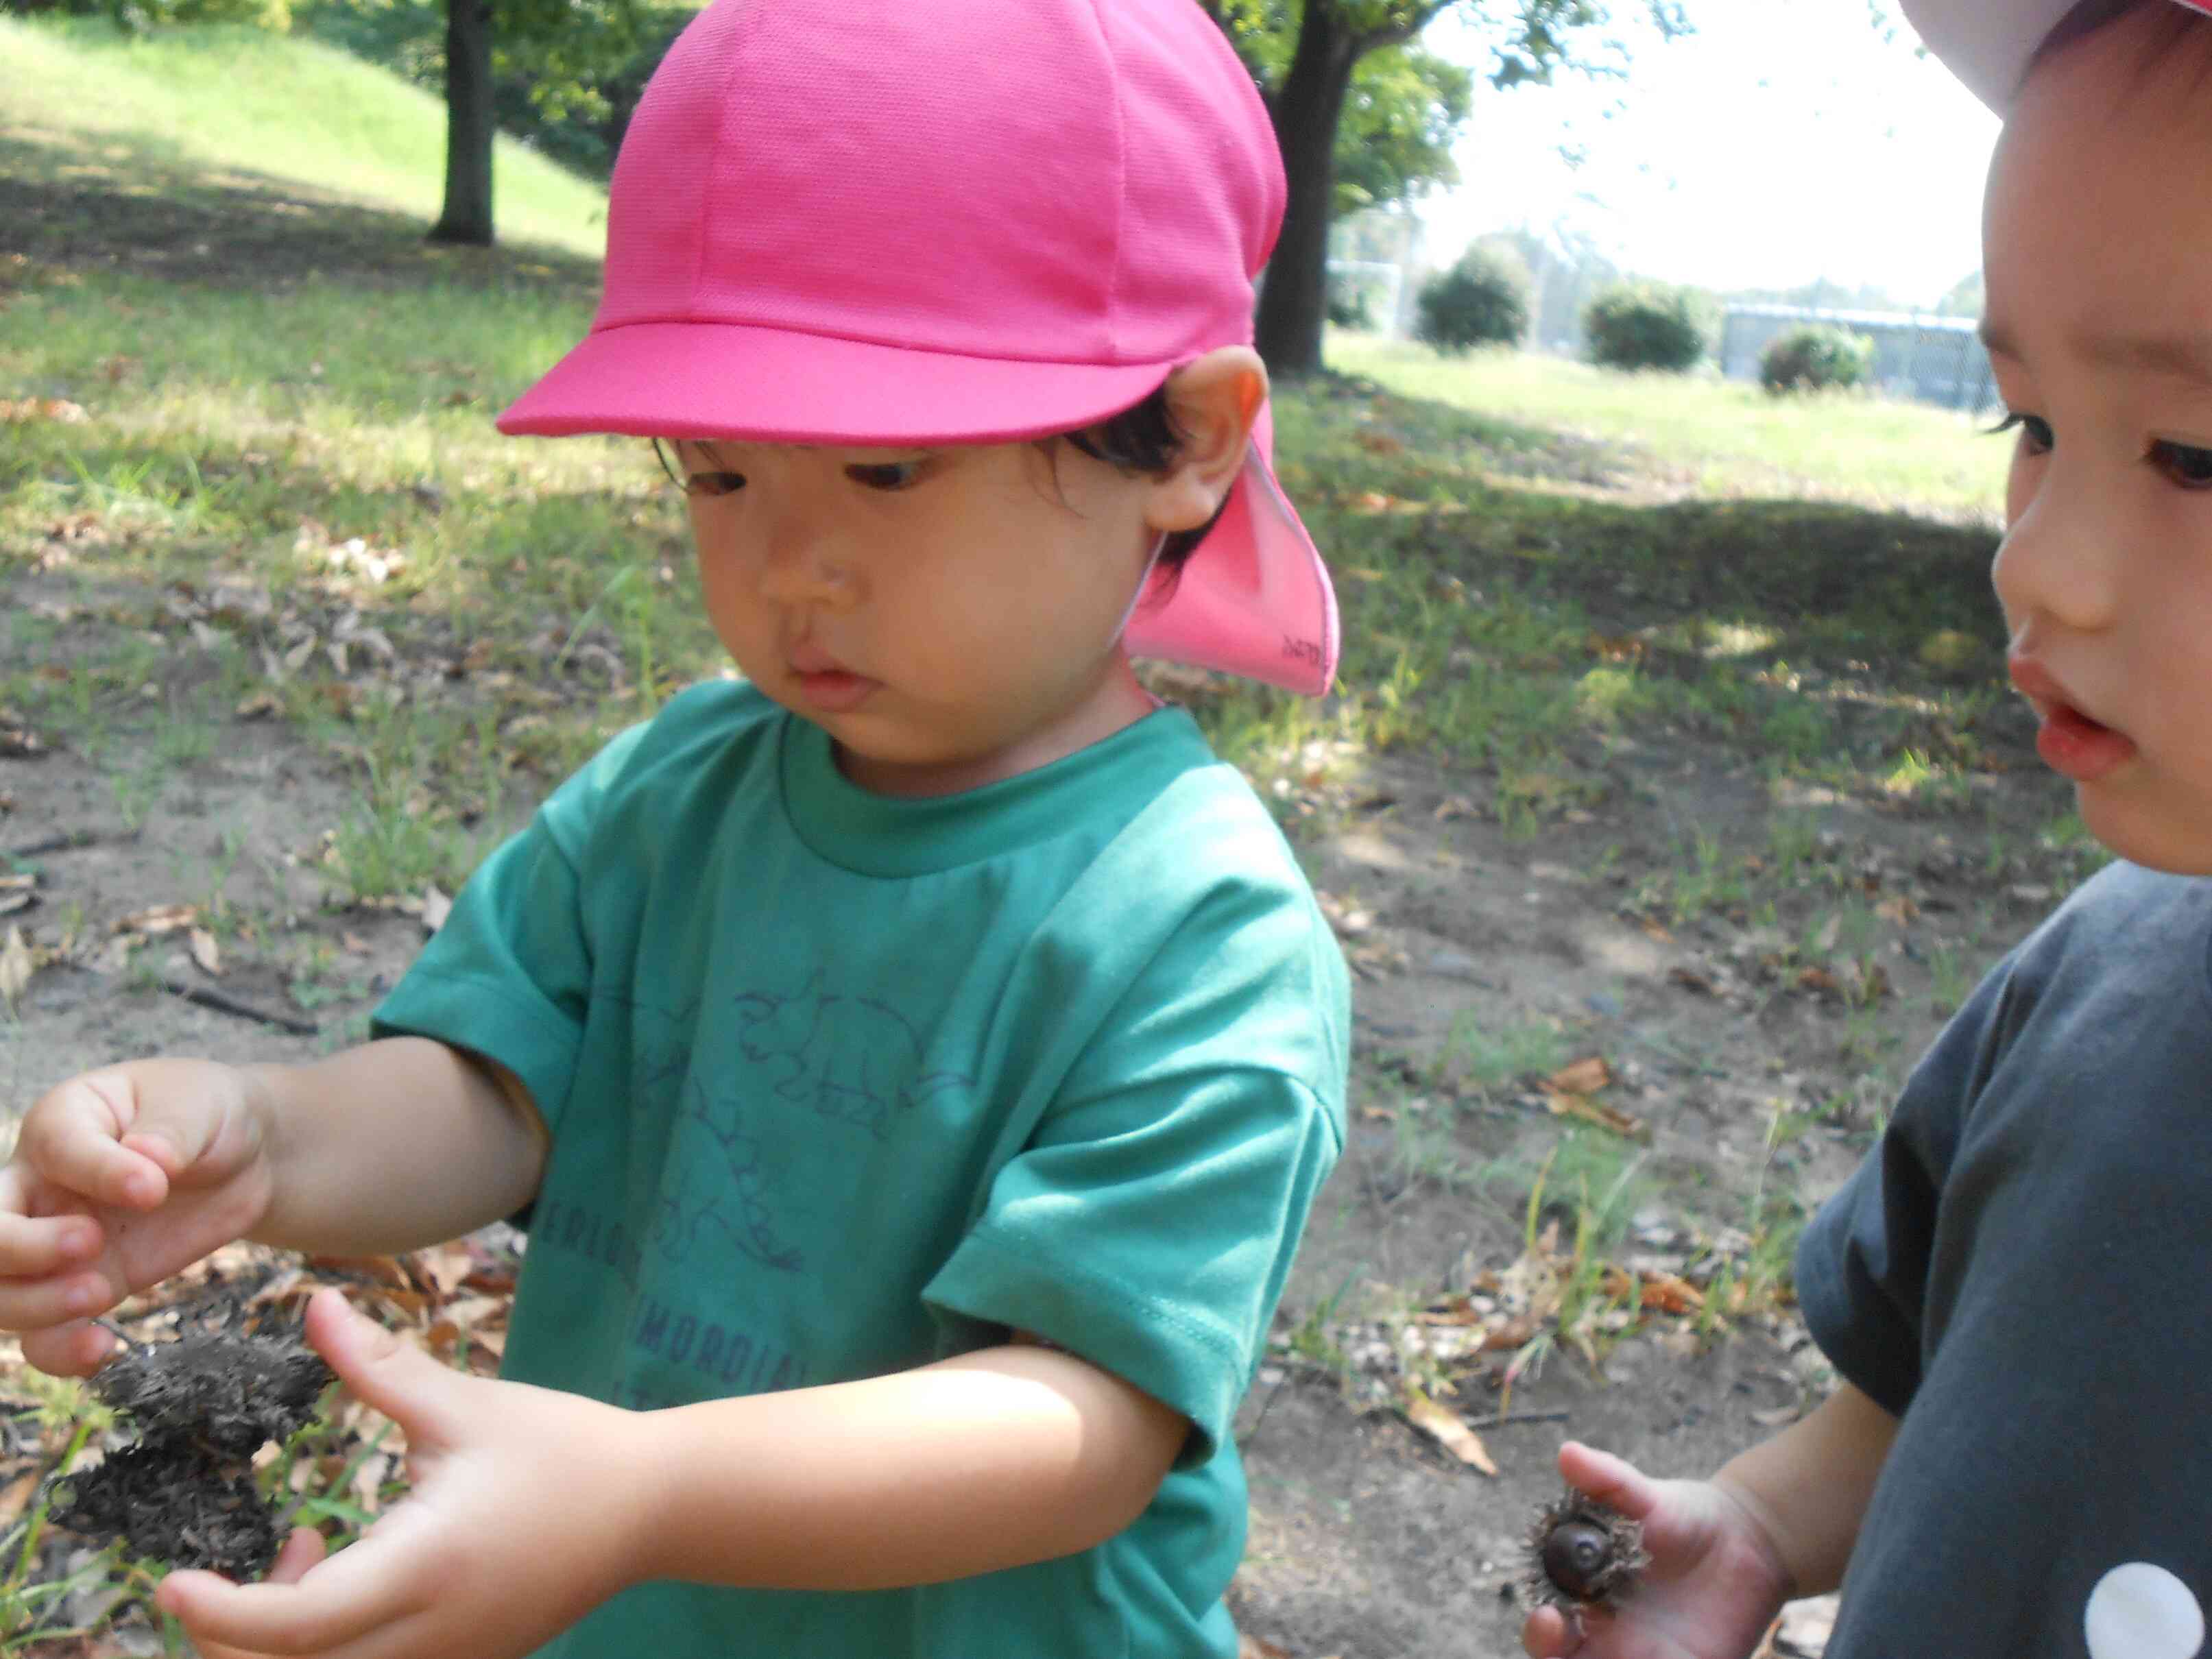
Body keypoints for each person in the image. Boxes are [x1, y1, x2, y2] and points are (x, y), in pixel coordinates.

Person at [0, 3, 1352, 1655]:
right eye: (714, 476)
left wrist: (643, 1487)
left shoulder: (1195, 926)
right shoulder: (682, 790)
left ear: (1188, 441)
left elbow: (1082, 1418)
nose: (787, 565)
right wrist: (262, 1141)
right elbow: (500, 1092)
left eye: (882, 467)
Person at [1521, 3, 2212, 1656]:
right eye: (2026, 424)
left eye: (2191, 452)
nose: (2032, 559)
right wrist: (1757, 1527)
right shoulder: (2099, 980)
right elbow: (1938, 1398)